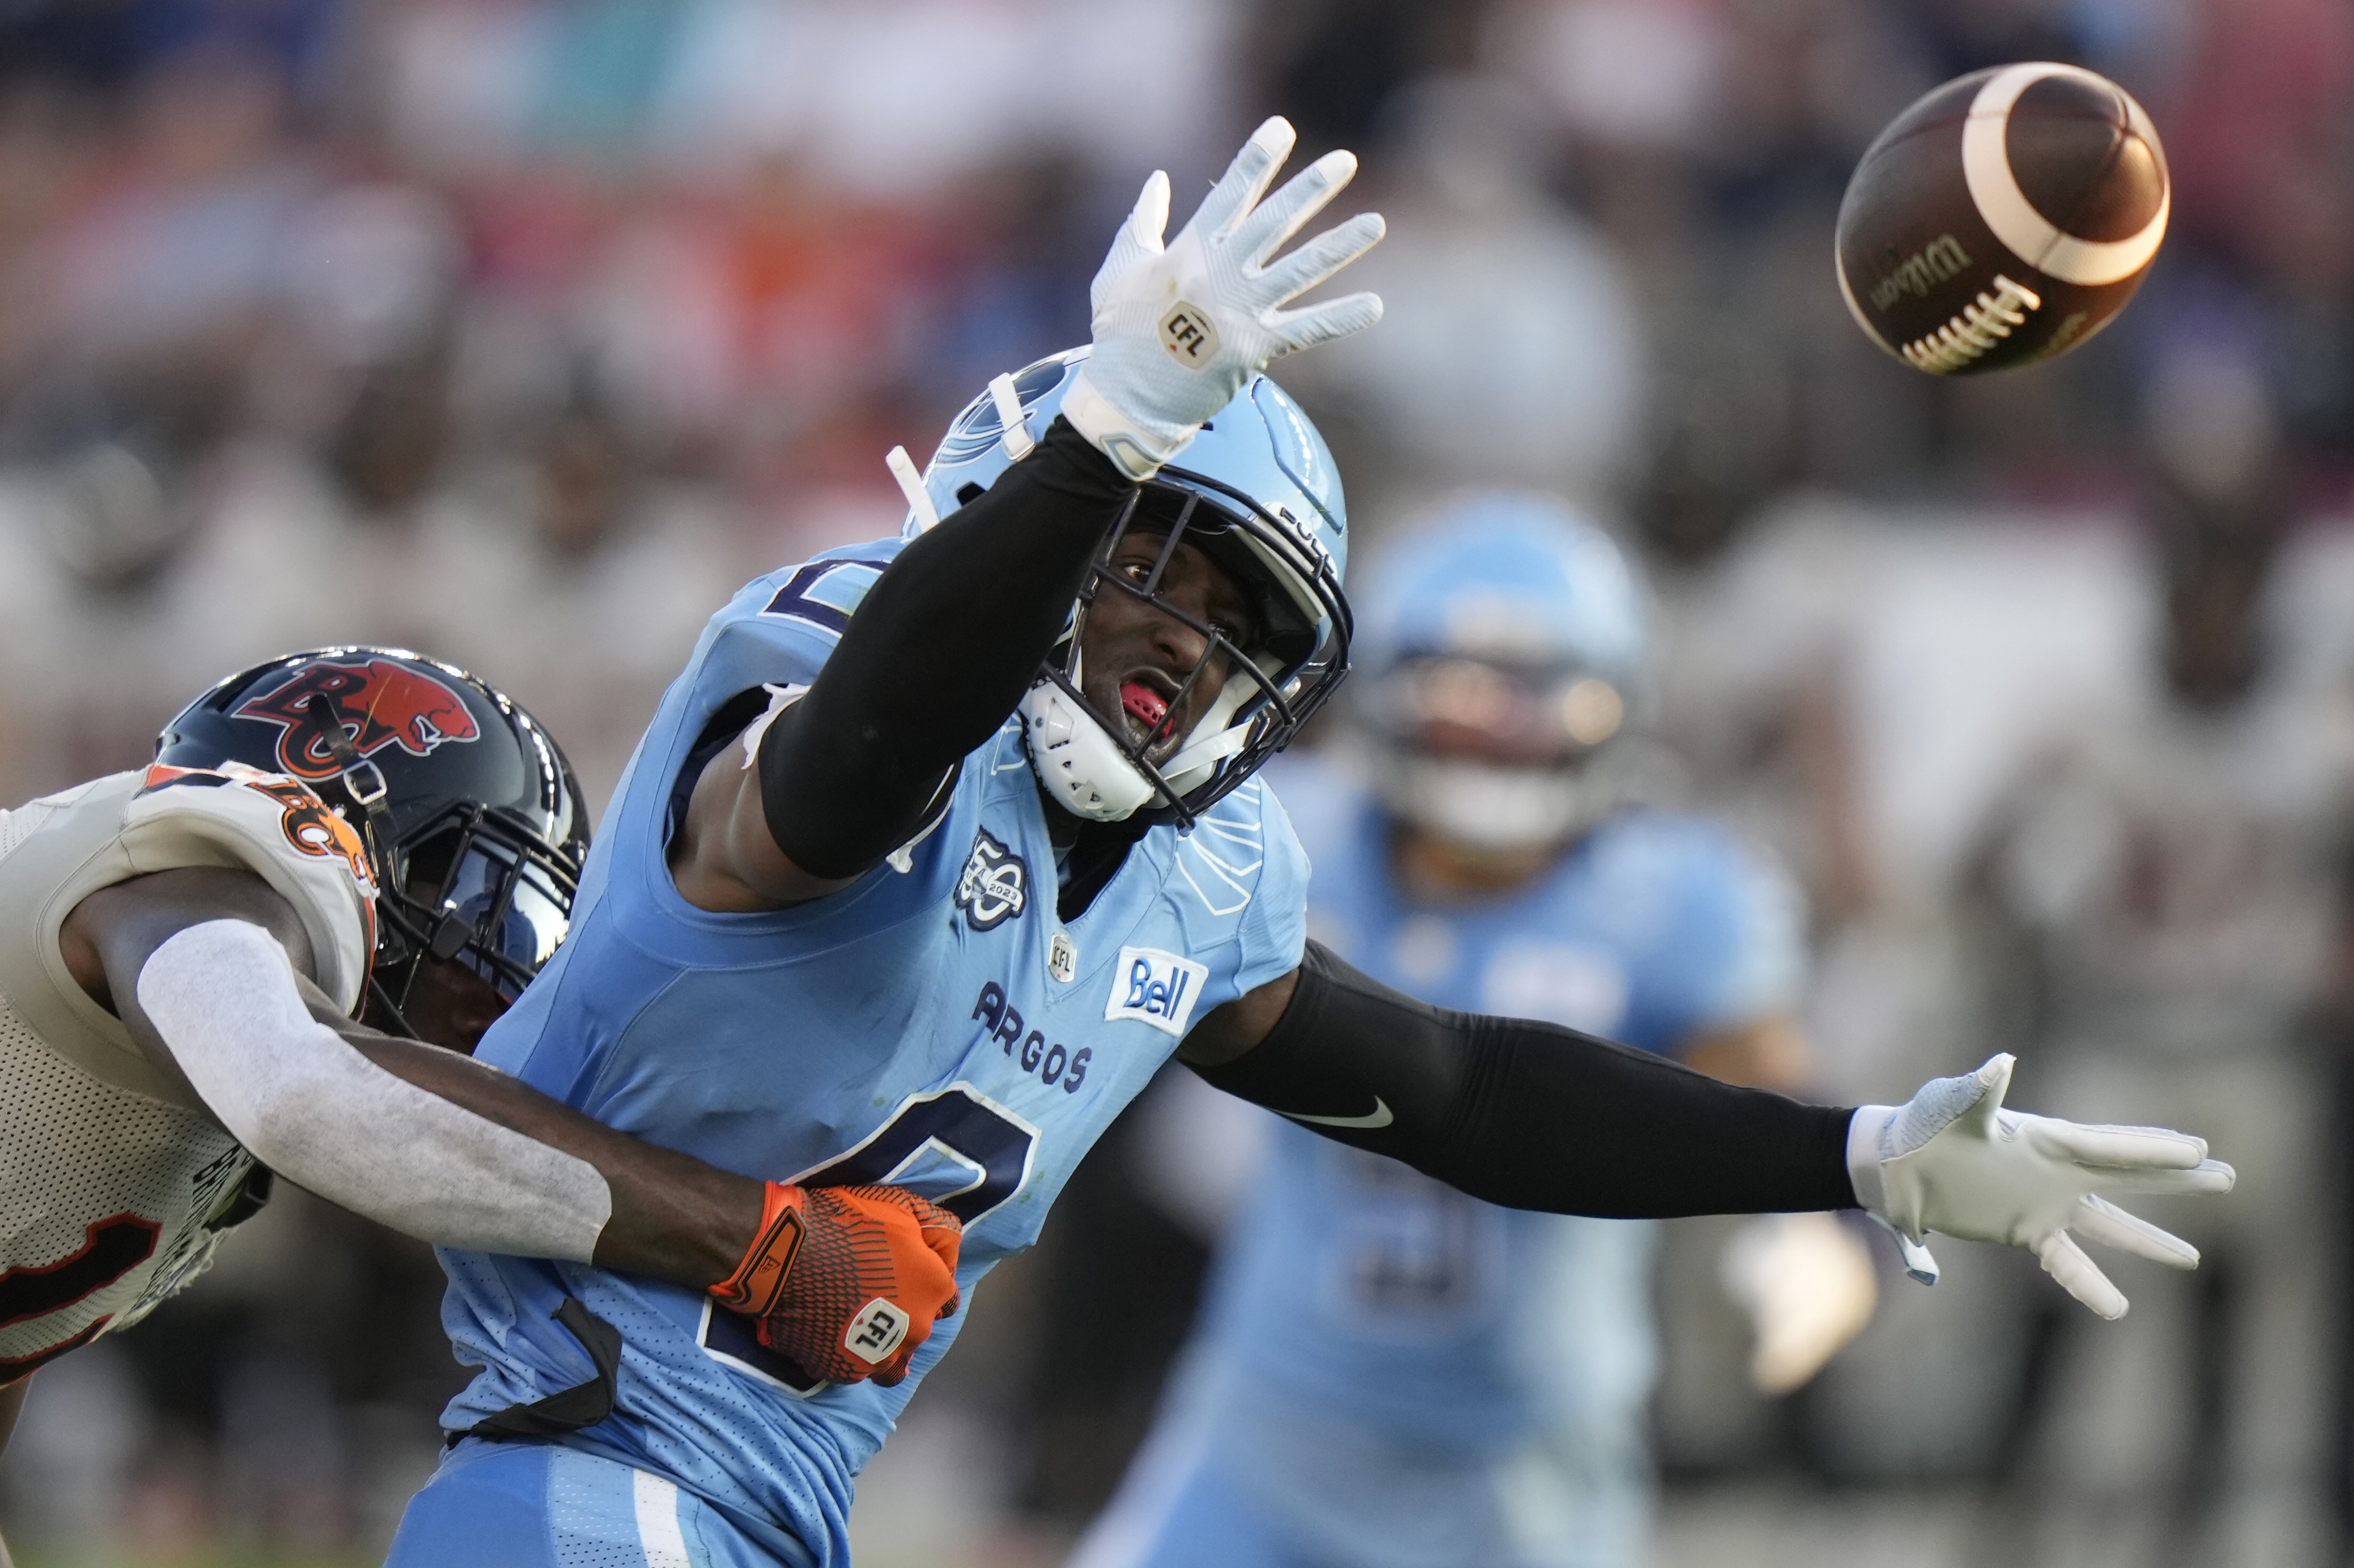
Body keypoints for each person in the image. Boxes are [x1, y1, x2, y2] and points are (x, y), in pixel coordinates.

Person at [386, 120, 2233, 1568]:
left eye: (1235, 614)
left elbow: (1457, 1088)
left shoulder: (1216, 872)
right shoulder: (836, 703)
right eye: (1145, 570)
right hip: (597, 1466)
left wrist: (1858, 1155)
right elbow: (881, 737)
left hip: (767, 1503)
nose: (1183, 640)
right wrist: (1114, 428)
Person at [0, 647, 967, 1567]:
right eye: (496, 907)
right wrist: (757, 1243)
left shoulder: (139, 1059)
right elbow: (300, 1089)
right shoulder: (206, 863)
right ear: (356, 811)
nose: (502, 988)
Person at [1070, 496, 1873, 1568]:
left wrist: (1816, 1239)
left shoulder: (1671, 899)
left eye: (1536, 702)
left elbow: (1780, 1113)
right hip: (1269, 1437)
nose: (1495, 731)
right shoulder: (1281, 839)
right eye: (1458, 695)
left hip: (1522, 1483)